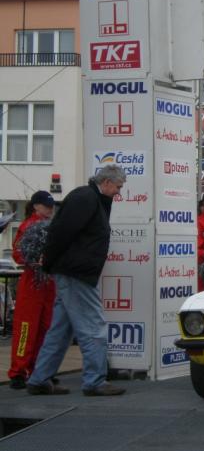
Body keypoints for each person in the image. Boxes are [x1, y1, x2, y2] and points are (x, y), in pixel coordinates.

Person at [26, 165, 127, 396]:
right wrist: (50, 262)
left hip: (71, 271)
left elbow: (62, 231)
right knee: (94, 326)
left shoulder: (88, 198)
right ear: (108, 182)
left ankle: (40, 378)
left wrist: (51, 263)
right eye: (118, 187)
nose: (118, 192)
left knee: (60, 330)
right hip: (77, 273)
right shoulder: (87, 198)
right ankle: (94, 381)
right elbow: (61, 232)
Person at [7, 191, 56, 389]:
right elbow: (19, 254)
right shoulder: (28, 226)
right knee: (26, 329)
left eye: (52, 206)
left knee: (46, 328)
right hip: (33, 283)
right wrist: (35, 261)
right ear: (36, 206)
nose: (51, 210)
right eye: (47, 206)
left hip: (48, 282)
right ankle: (18, 371)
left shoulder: (52, 227)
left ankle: (38, 369)